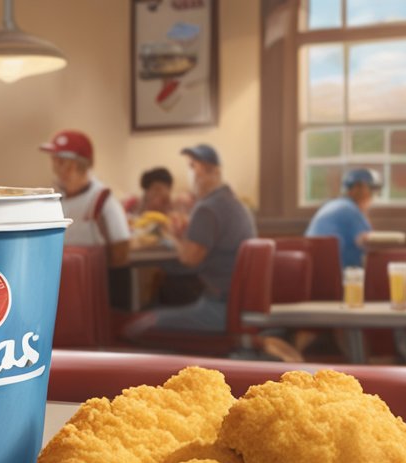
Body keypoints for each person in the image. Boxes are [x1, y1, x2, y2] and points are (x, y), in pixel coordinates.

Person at [125, 144, 256, 338]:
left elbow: (189, 259)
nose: (193, 174)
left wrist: (171, 237)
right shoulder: (233, 203)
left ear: (214, 172)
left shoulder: (208, 208)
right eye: (192, 167)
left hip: (221, 307)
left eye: (195, 167)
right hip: (239, 303)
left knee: (138, 326)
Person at [39, 129, 130, 266]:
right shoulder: (56, 199)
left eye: (61, 161)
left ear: (77, 165)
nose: (55, 167)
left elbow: (121, 254)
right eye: (54, 160)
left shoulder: (102, 199)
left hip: (92, 281)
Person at [306, 168, 379, 269]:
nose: (373, 196)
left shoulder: (334, 205)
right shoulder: (350, 210)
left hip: (315, 270)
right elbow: (370, 241)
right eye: (371, 189)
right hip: (339, 274)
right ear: (358, 188)